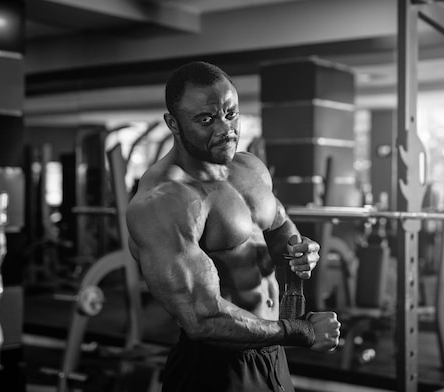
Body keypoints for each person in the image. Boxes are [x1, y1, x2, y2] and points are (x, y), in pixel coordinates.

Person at [126, 61, 341, 392]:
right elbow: (203, 318)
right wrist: (302, 331)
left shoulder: (249, 168)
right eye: (206, 119)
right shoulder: (164, 200)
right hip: (214, 368)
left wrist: (299, 252)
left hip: (272, 353)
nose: (225, 128)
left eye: (231, 113)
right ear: (173, 123)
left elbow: (281, 225)